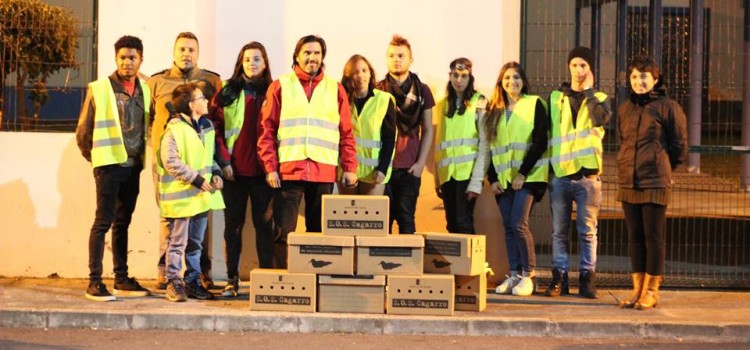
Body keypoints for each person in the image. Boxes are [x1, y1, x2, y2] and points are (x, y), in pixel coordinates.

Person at [258, 35, 357, 268]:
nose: (312, 58)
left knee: (318, 233)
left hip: (323, 171)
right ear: (297, 55)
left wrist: (350, 167)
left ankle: (313, 282)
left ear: (322, 57)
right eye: (307, 53)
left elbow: (346, 132)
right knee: (283, 232)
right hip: (288, 171)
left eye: (317, 53)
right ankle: (282, 281)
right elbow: (266, 130)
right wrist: (270, 168)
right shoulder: (281, 86)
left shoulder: (335, 89)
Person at [76, 35, 152, 301]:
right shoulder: (99, 88)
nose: (127, 62)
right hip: (109, 166)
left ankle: (121, 279)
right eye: (122, 57)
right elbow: (84, 132)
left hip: (133, 167)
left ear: (141, 59)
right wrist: (97, 159)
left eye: (132, 57)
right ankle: (94, 281)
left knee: (123, 223)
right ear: (115, 59)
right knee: (102, 222)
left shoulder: (146, 89)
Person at [148, 32, 222, 290]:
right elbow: (149, 120)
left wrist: (216, 167)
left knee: (200, 223)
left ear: (198, 53)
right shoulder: (157, 82)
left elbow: (216, 123)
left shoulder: (211, 81)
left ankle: (199, 273)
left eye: (191, 49)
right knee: (170, 219)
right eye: (181, 49)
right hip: (169, 166)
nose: (186, 53)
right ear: (174, 51)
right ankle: (167, 274)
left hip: (201, 168)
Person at [468, 62, 549, 296]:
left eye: (516, 78)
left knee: (518, 224)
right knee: (508, 227)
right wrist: (492, 179)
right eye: (506, 79)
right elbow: (492, 148)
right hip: (503, 180)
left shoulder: (535, 104)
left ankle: (528, 275)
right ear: (500, 84)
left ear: (523, 80)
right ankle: (514, 275)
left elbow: (540, 142)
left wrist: (523, 173)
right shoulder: (495, 111)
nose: (511, 82)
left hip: (529, 177)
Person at [616, 56, 687, 310]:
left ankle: (652, 291)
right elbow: (623, 139)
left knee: (653, 236)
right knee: (634, 237)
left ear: (655, 79)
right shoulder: (625, 107)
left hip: (655, 180)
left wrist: (664, 167)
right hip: (628, 180)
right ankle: (637, 290)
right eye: (634, 76)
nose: (638, 81)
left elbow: (680, 147)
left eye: (644, 76)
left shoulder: (668, 107)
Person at [545, 46, 612, 299]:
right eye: (574, 65)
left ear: (591, 69)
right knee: (559, 232)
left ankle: (587, 280)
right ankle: (558, 280)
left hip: (588, 177)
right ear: (568, 67)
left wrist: (589, 92)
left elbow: (600, 120)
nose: (579, 70)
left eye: (584, 65)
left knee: (587, 232)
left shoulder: (601, 98)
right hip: (562, 175)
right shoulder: (555, 98)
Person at [209, 42, 274, 298]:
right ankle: (231, 280)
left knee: (265, 227)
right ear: (240, 62)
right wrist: (224, 162)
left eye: (257, 59)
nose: (252, 63)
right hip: (233, 173)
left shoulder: (275, 90)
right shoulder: (227, 90)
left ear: (265, 62)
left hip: (264, 174)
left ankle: (268, 278)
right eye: (247, 59)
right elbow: (214, 127)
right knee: (233, 227)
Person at [157, 82, 225, 301]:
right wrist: (195, 179)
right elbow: (170, 161)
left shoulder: (206, 126)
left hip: (200, 198)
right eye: (201, 98)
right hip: (181, 199)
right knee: (177, 243)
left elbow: (209, 156)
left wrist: (215, 173)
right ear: (190, 105)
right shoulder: (174, 129)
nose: (206, 101)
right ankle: (173, 282)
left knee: (195, 244)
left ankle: (193, 282)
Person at [377, 34, 435, 234]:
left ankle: (407, 266)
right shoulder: (378, 90)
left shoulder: (422, 91)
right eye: (391, 55)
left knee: (406, 220)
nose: (396, 59)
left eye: (401, 55)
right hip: (382, 169)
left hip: (409, 168)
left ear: (411, 59)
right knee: (381, 224)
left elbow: (428, 129)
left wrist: (420, 165)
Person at [434, 58, 485, 233]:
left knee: (464, 222)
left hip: (467, 175)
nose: (459, 80)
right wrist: (437, 179)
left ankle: (471, 261)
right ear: (450, 76)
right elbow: (439, 143)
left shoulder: (479, 102)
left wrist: (477, 182)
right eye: (455, 75)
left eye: (464, 76)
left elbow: (485, 145)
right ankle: (456, 262)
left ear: (470, 77)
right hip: (447, 175)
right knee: (452, 224)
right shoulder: (442, 104)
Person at [339, 54, 397, 195]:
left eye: (364, 70)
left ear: (370, 73)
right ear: (348, 77)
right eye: (355, 72)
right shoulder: (341, 101)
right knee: (348, 215)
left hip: (374, 173)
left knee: (371, 215)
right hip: (347, 171)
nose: (360, 76)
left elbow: (389, 139)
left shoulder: (384, 100)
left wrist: (382, 169)